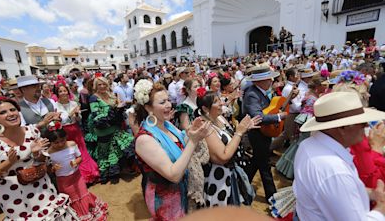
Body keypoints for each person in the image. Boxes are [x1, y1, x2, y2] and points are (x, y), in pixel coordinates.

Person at [293, 92, 385, 220]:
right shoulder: (335, 170)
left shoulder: (308, 145)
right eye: (361, 122)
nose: (365, 126)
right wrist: (381, 209)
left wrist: (371, 194)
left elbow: (335, 193)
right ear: (342, 128)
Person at [0, 98, 78, 220]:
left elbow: (43, 161)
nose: (10, 114)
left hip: (43, 188)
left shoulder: (32, 131)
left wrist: (36, 154)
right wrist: (9, 163)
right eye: (3, 112)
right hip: (15, 197)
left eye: (13, 109)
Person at [134, 80, 211, 220]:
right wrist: (193, 141)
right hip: (167, 202)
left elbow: (182, 146)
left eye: (168, 100)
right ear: (148, 108)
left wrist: (191, 132)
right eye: (162, 102)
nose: (169, 105)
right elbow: (173, 174)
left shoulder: (167, 125)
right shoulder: (144, 139)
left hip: (183, 192)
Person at [195, 88, 261, 207]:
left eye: (219, 99)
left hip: (231, 174)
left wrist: (244, 129)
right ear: (205, 108)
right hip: (218, 179)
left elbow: (231, 140)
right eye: (216, 101)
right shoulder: (206, 127)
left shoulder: (219, 118)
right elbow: (223, 157)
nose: (221, 102)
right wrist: (239, 132)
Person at [242, 65, 288, 202]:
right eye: (269, 79)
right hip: (257, 134)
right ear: (260, 81)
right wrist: (279, 117)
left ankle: (241, 184)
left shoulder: (259, 92)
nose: (271, 81)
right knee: (264, 165)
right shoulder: (252, 94)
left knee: (257, 162)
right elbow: (258, 117)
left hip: (263, 133)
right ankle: (271, 196)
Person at [45, 127, 108, 220]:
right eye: (56, 142)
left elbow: (80, 157)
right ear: (50, 142)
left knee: (83, 194)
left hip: (76, 177)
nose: (60, 144)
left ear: (66, 137)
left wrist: (76, 162)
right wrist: (53, 168)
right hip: (63, 181)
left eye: (62, 140)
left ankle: (88, 213)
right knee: (70, 199)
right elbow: (48, 169)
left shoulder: (72, 144)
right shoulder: (48, 152)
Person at [276, 75, 326, 179]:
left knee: (298, 145)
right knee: (300, 145)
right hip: (307, 124)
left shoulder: (310, 94)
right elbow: (305, 113)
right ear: (318, 86)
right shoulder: (311, 97)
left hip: (307, 123)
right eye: (324, 85)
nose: (326, 87)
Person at [86, 77, 134, 184]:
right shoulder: (93, 98)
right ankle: (108, 175)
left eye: (104, 84)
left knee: (118, 149)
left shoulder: (111, 95)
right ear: (95, 86)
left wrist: (119, 109)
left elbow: (117, 108)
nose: (102, 86)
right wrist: (114, 111)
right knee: (105, 153)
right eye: (99, 85)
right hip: (103, 130)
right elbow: (97, 115)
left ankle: (120, 171)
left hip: (115, 127)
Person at [55, 84, 100, 184]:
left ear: (68, 92)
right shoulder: (55, 106)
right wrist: (71, 113)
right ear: (57, 94)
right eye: (60, 91)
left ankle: (91, 173)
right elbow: (59, 121)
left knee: (81, 150)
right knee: (71, 153)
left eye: (64, 91)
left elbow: (79, 119)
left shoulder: (74, 103)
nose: (63, 93)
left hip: (75, 128)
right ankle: (79, 177)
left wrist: (76, 114)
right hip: (64, 131)